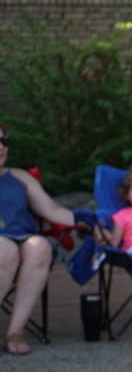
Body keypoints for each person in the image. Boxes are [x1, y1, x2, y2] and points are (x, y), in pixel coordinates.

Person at [0, 125, 77, 355]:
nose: (1, 146)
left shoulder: (20, 177)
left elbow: (50, 209)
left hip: (20, 238)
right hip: (4, 247)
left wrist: (86, 220)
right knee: (6, 250)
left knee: (40, 246)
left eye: (4, 141)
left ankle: (15, 331)